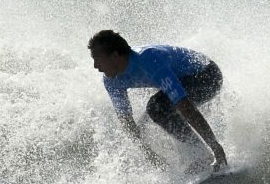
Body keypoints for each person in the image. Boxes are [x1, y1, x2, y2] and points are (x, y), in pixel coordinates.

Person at [88, 29, 228, 171]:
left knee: (156, 108)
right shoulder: (111, 81)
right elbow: (127, 122)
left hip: (207, 75)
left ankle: (204, 155)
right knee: (146, 119)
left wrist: (216, 148)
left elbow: (184, 106)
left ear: (115, 56)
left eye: (98, 60)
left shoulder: (149, 59)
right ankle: (201, 154)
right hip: (182, 79)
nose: (95, 66)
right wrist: (152, 158)